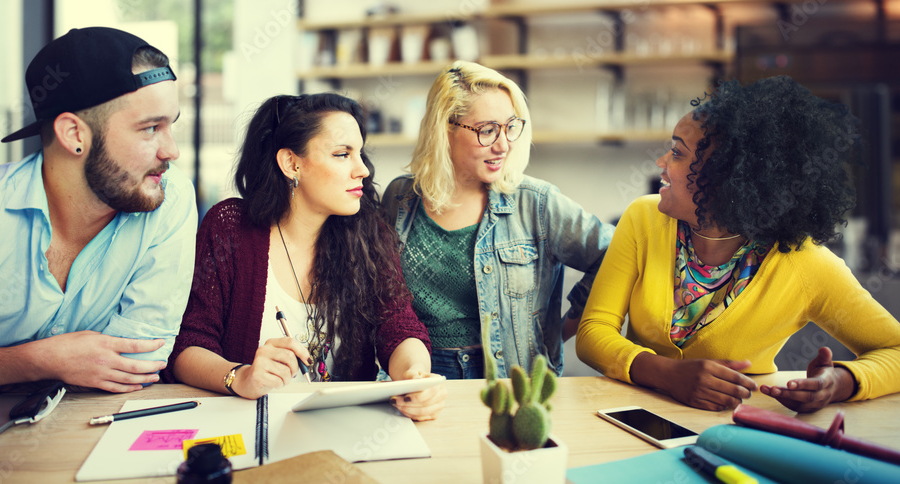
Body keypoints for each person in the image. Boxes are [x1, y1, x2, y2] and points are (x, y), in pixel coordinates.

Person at [576, 76, 900, 413]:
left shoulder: (805, 264)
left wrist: (839, 383)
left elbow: (895, 350)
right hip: (634, 420)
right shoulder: (643, 219)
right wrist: (668, 374)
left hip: (736, 430)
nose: (661, 163)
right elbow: (593, 331)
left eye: (676, 152)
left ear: (725, 178)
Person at [0, 27, 196, 395]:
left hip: (100, 426)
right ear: (74, 134)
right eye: (150, 128)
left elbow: (137, 363)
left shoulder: (170, 198)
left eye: (171, 125)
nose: (172, 151)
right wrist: (39, 360)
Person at [164, 93, 445, 421]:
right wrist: (239, 376)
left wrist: (415, 376)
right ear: (291, 164)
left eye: (360, 154)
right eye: (342, 154)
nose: (363, 170)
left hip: (345, 427)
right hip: (249, 425)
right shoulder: (229, 228)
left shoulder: (369, 231)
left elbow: (397, 325)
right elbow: (187, 345)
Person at [382, 61, 614, 379]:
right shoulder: (400, 197)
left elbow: (615, 254)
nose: (504, 144)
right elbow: (383, 296)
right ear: (445, 129)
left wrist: (561, 330)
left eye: (510, 127)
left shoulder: (537, 202)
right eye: (487, 130)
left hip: (509, 382)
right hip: (419, 376)